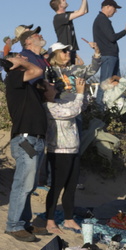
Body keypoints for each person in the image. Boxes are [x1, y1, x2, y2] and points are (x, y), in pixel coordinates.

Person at [3, 54, 50, 242]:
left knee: (29, 186)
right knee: (23, 183)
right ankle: (13, 225)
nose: (23, 56)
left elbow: (43, 80)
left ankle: (23, 222)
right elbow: (38, 70)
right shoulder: (13, 77)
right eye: (19, 56)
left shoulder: (26, 85)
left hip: (35, 139)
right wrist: (18, 63)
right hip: (25, 140)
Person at [39, 77, 88, 234]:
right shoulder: (48, 107)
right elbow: (71, 111)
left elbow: (81, 106)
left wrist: (82, 92)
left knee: (71, 187)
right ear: (44, 93)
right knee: (56, 187)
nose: (53, 85)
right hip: (59, 151)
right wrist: (79, 94)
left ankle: (68, 218)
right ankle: (50, 220)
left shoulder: (60, 102)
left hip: (73, 150)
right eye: (48, 85)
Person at [92, 0, 126, 104]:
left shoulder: (102, 19)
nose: (116, 11)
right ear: (107, 7)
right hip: (108, 55)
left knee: (116, 84)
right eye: (115, 8)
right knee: (105, 84)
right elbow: (112, 38)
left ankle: (112, 110)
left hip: (111, 55)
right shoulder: (102, 19)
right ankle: (99, 112)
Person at [50, 0, 88, 64]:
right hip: (65, 50)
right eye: (63, 0)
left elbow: (85, 10)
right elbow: (81, 12)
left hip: (71, 49)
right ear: (60, 5)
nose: (65, 0)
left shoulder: (66, 14)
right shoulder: (58, 17)